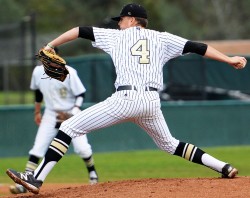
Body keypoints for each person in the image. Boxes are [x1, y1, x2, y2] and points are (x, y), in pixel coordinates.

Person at [6, 3, 247, 194]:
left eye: (121, 19)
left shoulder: (116, 37)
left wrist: (50, 44)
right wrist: (229, 60)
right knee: (170, 144)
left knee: (68, 127)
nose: (119, 23)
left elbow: (79, 31)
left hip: (126, 99)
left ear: (131, 19)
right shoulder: (162, 38)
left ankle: (36, 178)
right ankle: (223, 167)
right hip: (151, 102)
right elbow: (198, 47)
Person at [9, 48, 98, 194]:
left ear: (57, 56)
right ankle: (24, 183)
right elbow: (38, 92)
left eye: (49, 55)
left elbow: (81, 93)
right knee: (38, 147)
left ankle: (93, 175)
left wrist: (74, 111)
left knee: (82, 148)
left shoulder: (69, 71)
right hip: (50, 113)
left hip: (71, 112)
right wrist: (37, 111)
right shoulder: (37, 72)